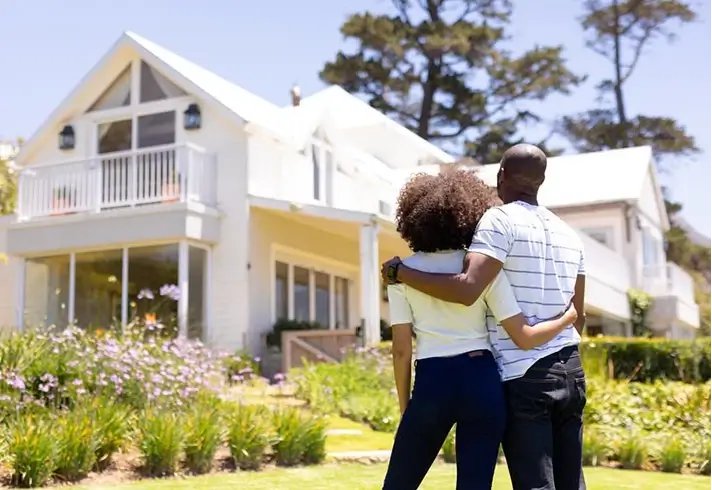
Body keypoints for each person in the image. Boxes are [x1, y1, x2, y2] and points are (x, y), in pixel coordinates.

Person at [382, 144, 587, 490]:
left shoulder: (494, 229)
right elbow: (574, 314)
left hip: (487, 376)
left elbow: (460, 295)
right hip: (532, 375)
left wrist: (399, 273)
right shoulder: (569, 235)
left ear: (501, 175)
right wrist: (568, 319)